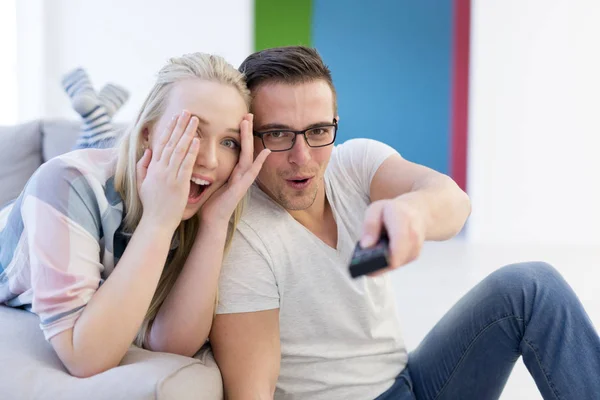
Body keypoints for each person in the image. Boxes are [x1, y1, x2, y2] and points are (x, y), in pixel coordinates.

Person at [207, 46, 600, 399]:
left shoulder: (354, 164)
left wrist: (413, 212)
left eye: (318, 131)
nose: (302, 156)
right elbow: (251, 393)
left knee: (532, 286)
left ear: (334, 125)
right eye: (277, 134)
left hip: (410, 382)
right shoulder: (244, 238)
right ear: (248, 137)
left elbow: (453, 201)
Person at [0, 52, 269, 378]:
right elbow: (85, 356)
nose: (211, 160)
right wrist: (158, 220)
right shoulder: (65, 183)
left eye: (229, 141)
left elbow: (172, 343)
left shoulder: (199, 207)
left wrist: (214, 224)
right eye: (192, 130)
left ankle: (97, 117)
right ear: (146, 133)